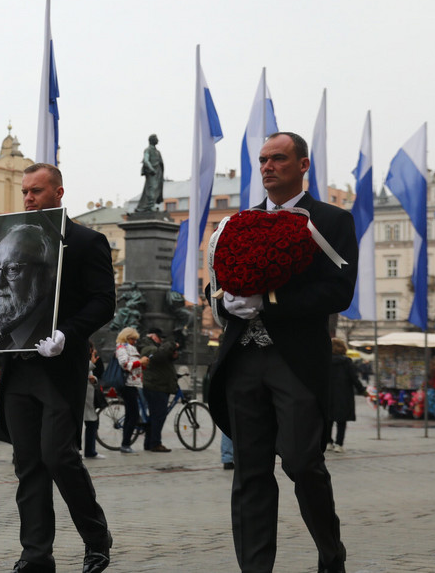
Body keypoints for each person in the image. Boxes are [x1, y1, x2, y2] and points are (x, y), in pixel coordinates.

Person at [207, 132, 357, 573]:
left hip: (294, 360)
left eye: (278, 159)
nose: (268, 167)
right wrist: (223, 301)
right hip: (243, 359)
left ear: (303, 164)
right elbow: (217, 283)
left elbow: (339, 291)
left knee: (301, 462)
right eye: (263, 160)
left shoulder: (330, 220)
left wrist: (270, 302)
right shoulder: (238, 222)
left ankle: (331, 554)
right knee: (250, 471)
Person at [0, 163, 116, 573]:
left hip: (59, 367)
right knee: (28, 463)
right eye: (25, 192)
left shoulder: (87, 241)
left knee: (59, 457)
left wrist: (68, 333)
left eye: (37, 191)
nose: (29, 198)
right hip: (18, 370)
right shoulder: (8, 241)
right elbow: (4, 302)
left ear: (59, 192)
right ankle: (35, 556)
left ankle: (96, 536)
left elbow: (104, 301)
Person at [138, 328, 176, 453]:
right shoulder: (148, 347)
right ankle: (155, 443)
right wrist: (171, 344)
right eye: (160, 338)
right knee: (158, 416)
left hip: (160, 385)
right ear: (154, 336)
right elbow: (159, 356)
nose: (162, 340)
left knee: (155, 416)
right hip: (156, 386)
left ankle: (149, 443)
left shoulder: (153, 346)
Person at [113, 327, 147, 454]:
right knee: (133, 415)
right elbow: (126, 365)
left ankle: (126, 443)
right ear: (126, 337)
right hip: (127, 385)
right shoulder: (121, 348)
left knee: (131, 414)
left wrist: (143, 364)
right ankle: (125, 444)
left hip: (134, 384)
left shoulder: (129, 347)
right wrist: (140, 361)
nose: (135, 341)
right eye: (133, 339)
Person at [327, 338, 362, 453]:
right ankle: (339, 444)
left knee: (328, 420)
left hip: (328, 394)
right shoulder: (347, 362)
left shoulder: (324, 361)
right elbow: (354, 378)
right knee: (341, 421)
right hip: (343, 395)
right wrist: (363, 391)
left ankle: (328, 442)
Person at [83, 345, 106, 460]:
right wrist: (92, 362)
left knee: (92, 424)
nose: (95, 351)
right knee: (90, 423)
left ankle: (90, 451)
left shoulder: (88, 362)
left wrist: (94, 379)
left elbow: (91, 377)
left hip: (89, 397)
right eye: (93, 349)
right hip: (84, 397)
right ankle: (86, 451)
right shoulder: (84, 361)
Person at [134, 133, 164, 212]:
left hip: (158, 173)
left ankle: (150, 205)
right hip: (152, 173)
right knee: (152, 188)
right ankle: (150, 206)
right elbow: (146, 160)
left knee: (156, 189)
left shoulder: (158, 152)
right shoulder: (148, 150)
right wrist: (151, 169)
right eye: (156, 139)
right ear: (152, 140)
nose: (158, 140)